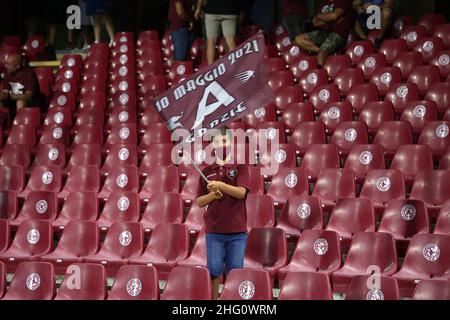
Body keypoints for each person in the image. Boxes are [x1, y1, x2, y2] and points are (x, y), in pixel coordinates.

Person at [195, 127, 250, 300]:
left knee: (235, 273)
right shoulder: (206, 171)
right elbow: (199, 202)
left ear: (232, 143)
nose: (221, 144)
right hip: (214, 232)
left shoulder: (240, 167)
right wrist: (212, 195)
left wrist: (220, 186)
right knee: (214, 272)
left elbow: (241, 193)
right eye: (217, 141)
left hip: (237, 232)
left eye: (225, 141)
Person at [294, 0, 353, 66]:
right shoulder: (323, 3)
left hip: (338, 33)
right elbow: (315, 23)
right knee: (299, 39)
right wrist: (329, 18)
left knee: (321, 54)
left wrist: (322, 16)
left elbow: (334, 16)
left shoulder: (342, 1)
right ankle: (319, 51)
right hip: (323, 32)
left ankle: (320, 71)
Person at [195, 0, 243, 64]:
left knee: (211, 41)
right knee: (230, 40)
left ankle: (211, 70)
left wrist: (198, 8)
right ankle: (234, 67)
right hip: (229, 10)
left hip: (212, 10)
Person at [0, 54, 40, 124]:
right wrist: (2, 95)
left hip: (31, 103)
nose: (5, 66)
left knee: (20, 102)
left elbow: (28, 96)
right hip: (13, 102)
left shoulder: (29, 74)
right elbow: (5, 91)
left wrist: (8, 96)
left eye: (8, 64)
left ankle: (18, 126)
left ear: (17, 66)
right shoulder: (7, 74)